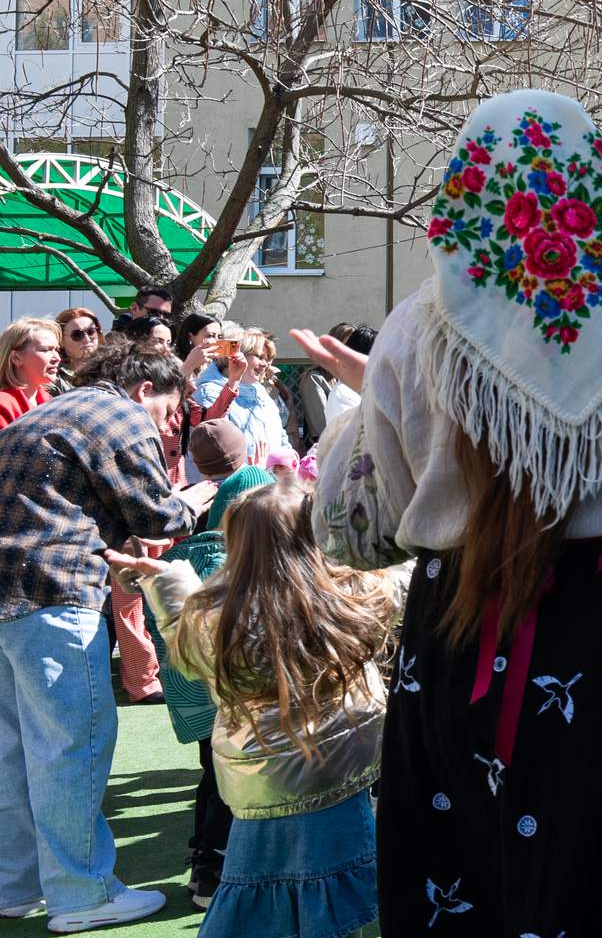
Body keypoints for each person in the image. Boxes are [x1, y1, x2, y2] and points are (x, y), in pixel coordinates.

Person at [300, 89, 602, 933]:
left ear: (465, 188)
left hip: (466, 619)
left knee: (473, 877)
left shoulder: (414, 329)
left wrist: (372, 410)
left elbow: (361, 530)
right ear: (598, 177)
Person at [114, 479, 400, 938]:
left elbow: (185, 635)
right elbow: (398, 574)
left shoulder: (220, 624)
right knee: (338, 894)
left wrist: (162, 578)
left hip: (261, 786)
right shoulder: (351, 599)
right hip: (339, 774)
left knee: (255, 896)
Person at [0, 338, 215, 931]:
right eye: (170, 411)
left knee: (13, 751)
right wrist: (195, 498)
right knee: (74, 745)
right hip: (53, 594)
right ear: (145, 389)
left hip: (10, 595)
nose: (170, 426)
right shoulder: (120, 414)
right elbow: (157, 516)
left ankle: (16, 885)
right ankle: (83, 895)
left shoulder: (51, 410)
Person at [144, 461, 274, 908]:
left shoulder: (181, 556)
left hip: (187, 691)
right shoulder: (231, 560)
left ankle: (204, 856)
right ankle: (211, 871)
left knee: (211, 774)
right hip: (224, 693)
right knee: (226, 778)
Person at [192, 330, 289, 459]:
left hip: (269, 472)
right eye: (259, 357)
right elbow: (214, 449)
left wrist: (289, 462)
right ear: (236, 355)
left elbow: (281, 439)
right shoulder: (209, 393)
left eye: (267, 359)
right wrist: (252, 471)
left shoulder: (263, 394)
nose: (265, 364)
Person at [0, 317, 60, 427]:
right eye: (45, 350)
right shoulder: (3, 406)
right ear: (16, 358)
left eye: (57, 350)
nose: (57, 358)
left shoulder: (51, 402)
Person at [53, 308, 104, 395]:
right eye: (77, 335)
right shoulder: (54, 376)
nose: (86, 339)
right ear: (61, 341)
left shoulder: (112, 370)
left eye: (91, 332)